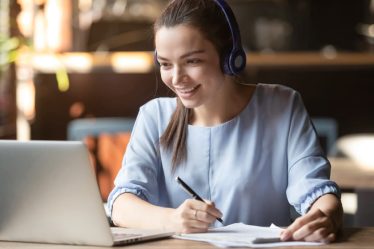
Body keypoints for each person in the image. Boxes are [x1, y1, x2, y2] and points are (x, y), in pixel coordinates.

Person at [108, 0, 343, 243]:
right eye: (166, 64)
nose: (177, 78)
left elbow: (315, 189)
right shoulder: (154, 116)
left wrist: (327, 216)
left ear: (230, 56)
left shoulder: (282, 105)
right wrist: (173, 219)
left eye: (192, 61)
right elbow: (121, 205)